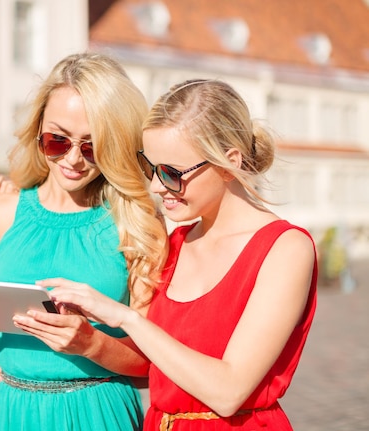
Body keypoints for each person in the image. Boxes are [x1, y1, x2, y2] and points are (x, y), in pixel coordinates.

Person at [40, 79, 318, 430]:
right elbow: (152, 363)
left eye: (172, 173)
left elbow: (228, 391)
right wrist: (83, 334)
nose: (157, 186)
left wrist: (126, 318)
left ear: (228, 162)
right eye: (150, 168)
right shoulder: (174, 243)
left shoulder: (285, 248)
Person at [0, 52, 168, 431]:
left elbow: (154, 364)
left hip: (98, 411)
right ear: (37, 132)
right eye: (56, 140)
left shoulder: (137, 224)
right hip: (11, 411)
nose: (73, 159)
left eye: (92, 146)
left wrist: (90, 344)